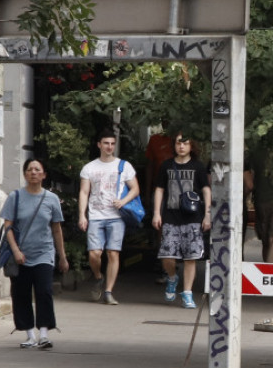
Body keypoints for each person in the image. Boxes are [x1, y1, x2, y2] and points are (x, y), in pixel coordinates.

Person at [1, 158, 68, 349]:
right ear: (24, 175)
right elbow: (8, 227)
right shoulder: (16, 197)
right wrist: (16, 251)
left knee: (44, 291)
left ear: (44, 175)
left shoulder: (51, 199)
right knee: (21, 294)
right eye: (29, 170)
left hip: (44, 252)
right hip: (21, 254)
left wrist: (62, 256)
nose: (33, 172)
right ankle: (30, 334)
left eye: (37, 169)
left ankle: (44, 334)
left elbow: (56, 228)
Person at [78, 128, 140, 305]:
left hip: (116, 216)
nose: (109, 147)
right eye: (106, 143)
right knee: (94, 254)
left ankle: (108, 291)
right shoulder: (89, 168)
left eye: (112, 144)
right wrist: (82, 215)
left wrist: (123, 201)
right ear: (99, 145)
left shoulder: (124, 165)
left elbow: (135, 189)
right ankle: (98, 276)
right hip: (96, 215)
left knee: (113, 253)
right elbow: (84, 192)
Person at [152, 132, 211, 309]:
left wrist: (207, 213)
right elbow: (159, 189)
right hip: (171, 216)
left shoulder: (198, 167)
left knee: (190, 257)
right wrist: (156, 212)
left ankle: (187, 293)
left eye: (185, 143)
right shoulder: (167, 166)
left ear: (191, 145)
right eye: (179, 143)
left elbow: (206, 190)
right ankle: (172, 277)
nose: (182, 146)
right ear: (174, 145)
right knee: (167, 255)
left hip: (193, 218)